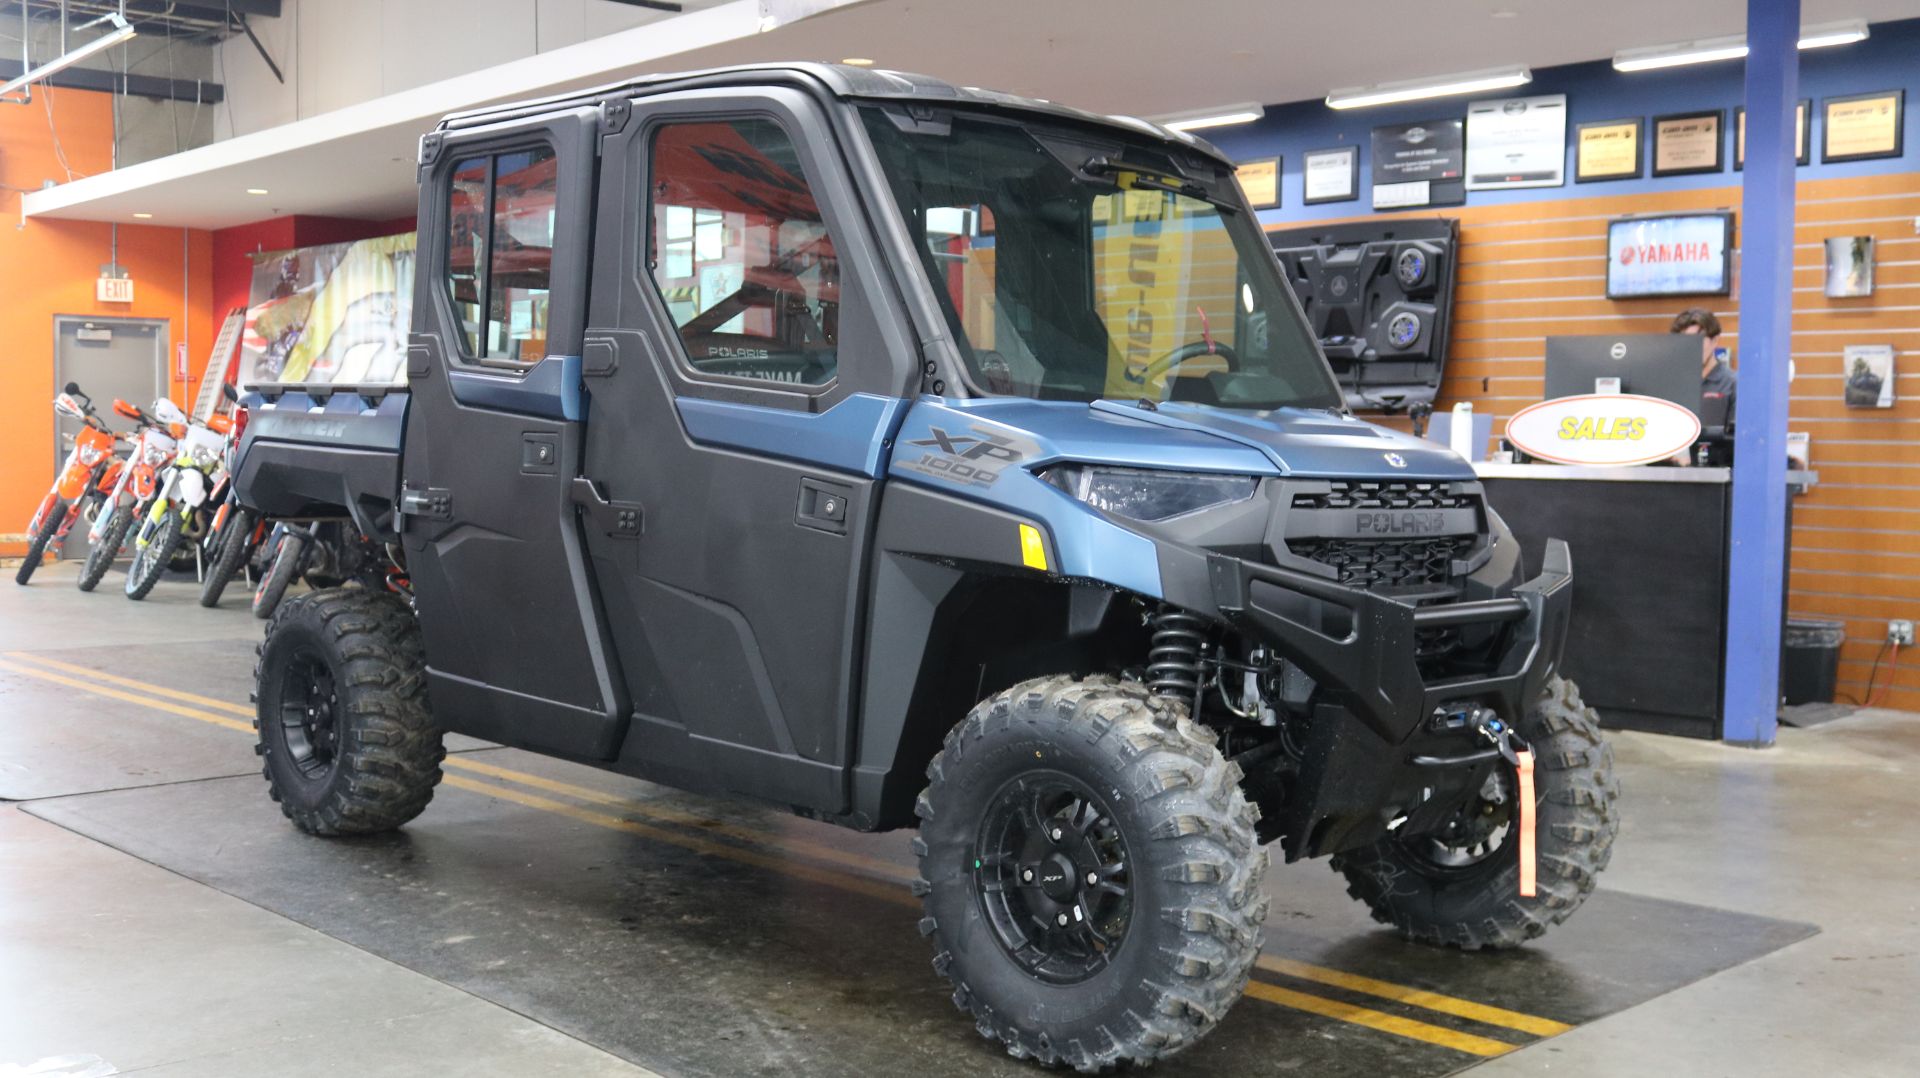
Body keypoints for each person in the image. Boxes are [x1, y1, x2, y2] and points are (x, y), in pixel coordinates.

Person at [1671, 308, 1736, 465]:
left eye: (1698, 341)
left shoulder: (1733, 383)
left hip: (1718, 479)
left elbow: (1738, 442)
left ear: (1714, 341)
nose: (1691, 348)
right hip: (1674, 476)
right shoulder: (1673, 384)